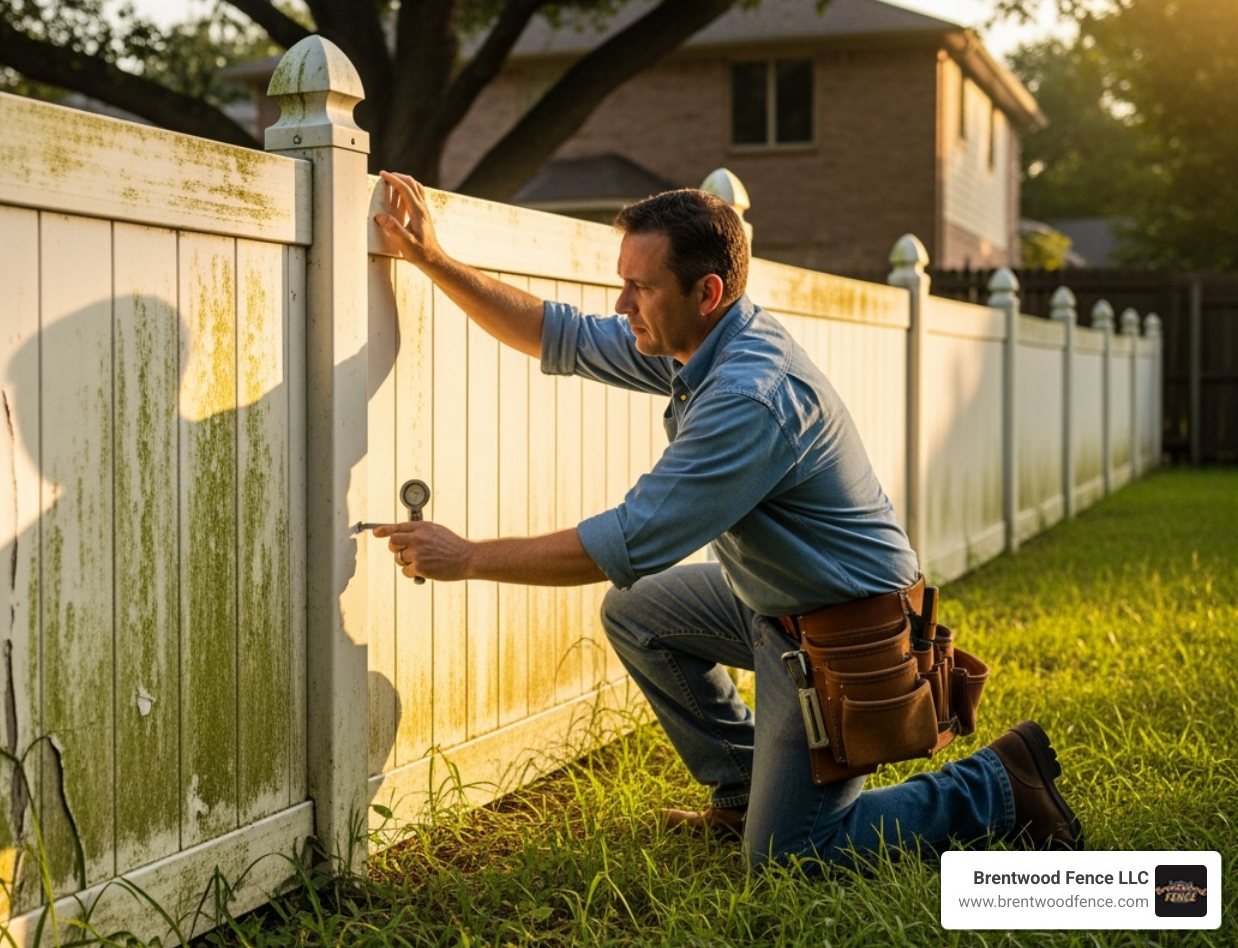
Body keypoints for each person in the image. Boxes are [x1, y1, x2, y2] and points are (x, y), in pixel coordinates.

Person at [368, 171, 1082, 869]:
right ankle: (744, 792)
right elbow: (559, 334)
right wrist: (433, 258)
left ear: (706, 292)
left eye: (639, 287)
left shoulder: (749, 396)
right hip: (777, 610)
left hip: (845, 635)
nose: (622, 304)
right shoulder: (701, 342)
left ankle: (995, 785)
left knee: (793, 855)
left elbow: (627, 541)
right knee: (638, 614)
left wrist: (466, 558)